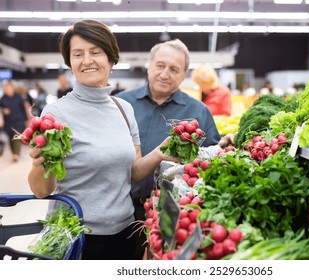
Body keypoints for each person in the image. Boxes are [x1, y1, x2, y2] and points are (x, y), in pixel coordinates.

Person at [27, 19, 177, 260]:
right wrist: (39, 163)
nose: (86, 60)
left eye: (95, 52)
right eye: (77, 54)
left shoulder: (123, 109)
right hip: (77, 235)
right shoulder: (55, 114)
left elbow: (132, 172)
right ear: (70, 63)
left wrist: (159, 152)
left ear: (110, 57)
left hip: (125, 231)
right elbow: (41, 190)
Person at [117, 39, 221, 220]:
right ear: (149, 66)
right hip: (122, 211)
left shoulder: (199, 111)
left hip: (175, 214)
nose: (165, 74)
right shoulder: (121, 104)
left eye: (174, 69)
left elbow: (213, 161)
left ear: (183, 75)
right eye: (160, 66)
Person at [0, 80, 28, 162]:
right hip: (8, 122)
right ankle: (14, 153)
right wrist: (3, 111)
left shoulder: (18, 97)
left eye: (9, 88)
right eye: (6, 88)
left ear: (12, 88)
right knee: (10, 138)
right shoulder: (3, 99)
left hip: (18, 120)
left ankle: (16, 154)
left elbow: (23, 108)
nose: (8, 89)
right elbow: (0, 109)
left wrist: (25, 119)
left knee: (17, 137)